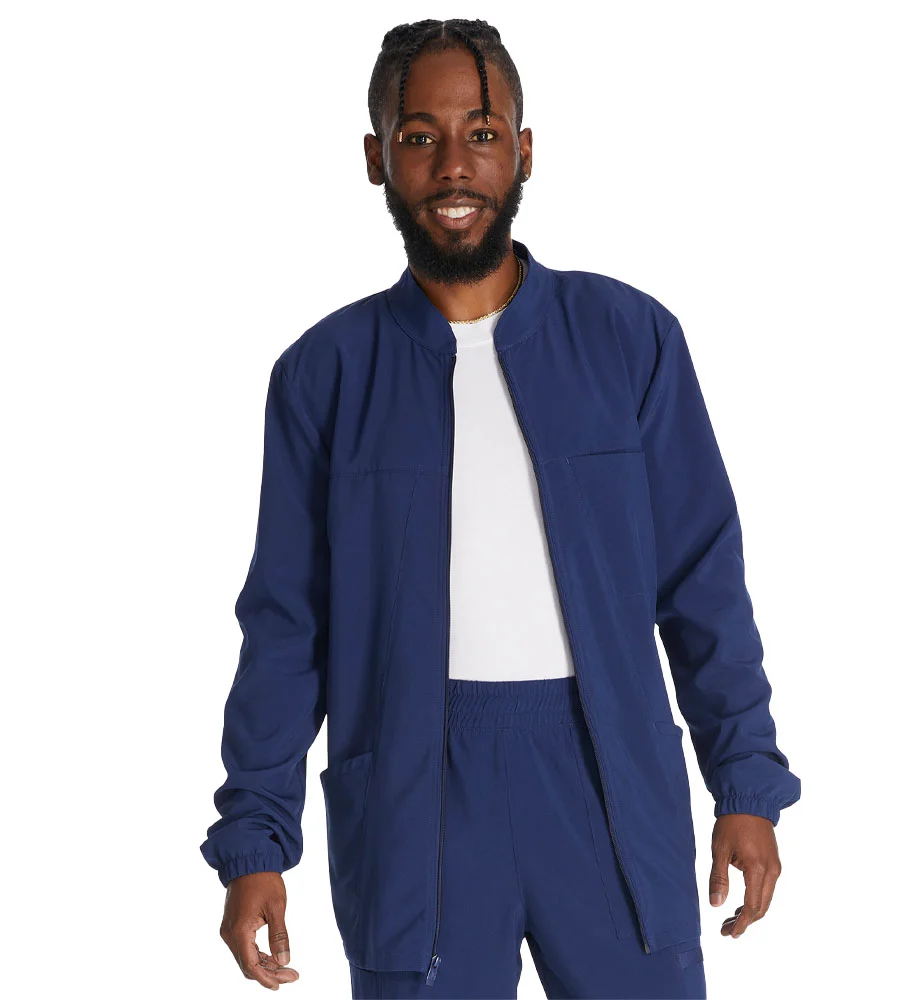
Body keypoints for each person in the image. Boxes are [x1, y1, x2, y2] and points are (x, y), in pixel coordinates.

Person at [200, 18, 801, 1000]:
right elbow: (287, 626)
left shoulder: (628, 340)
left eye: (480, 133)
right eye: (419, 136)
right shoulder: (326, 375)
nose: (453, 165)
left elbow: (703, 580)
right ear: (376, 158)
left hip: (606, 778)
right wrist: (255, 843)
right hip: (412, 796)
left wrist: (745, 785)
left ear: (523, 150)